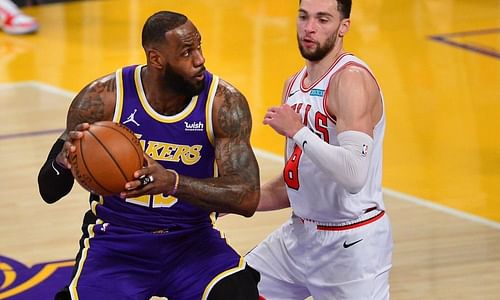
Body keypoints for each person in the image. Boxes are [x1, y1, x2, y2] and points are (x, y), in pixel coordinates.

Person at [37, 11, 261, 300]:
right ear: (156, 59)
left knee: (238, 293)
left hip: (192, 242)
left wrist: (172, 182)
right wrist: (62, 163)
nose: (200, 59)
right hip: (117, 241)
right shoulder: (102, 98)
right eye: (187, 52)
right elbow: (48, 190)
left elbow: (247, 197)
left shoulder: (223, 103)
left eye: (199, 47)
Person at [245, 0, 393, 299]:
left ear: (344, 27)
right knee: (235, 291)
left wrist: (298, 131)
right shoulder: (293, 85)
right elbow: (297, 183)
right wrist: (235, 201)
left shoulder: (351, 80)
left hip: (351, 244)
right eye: (303, 17)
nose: (309, 28)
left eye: (323, 19)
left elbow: (354, 175)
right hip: (299, 236)